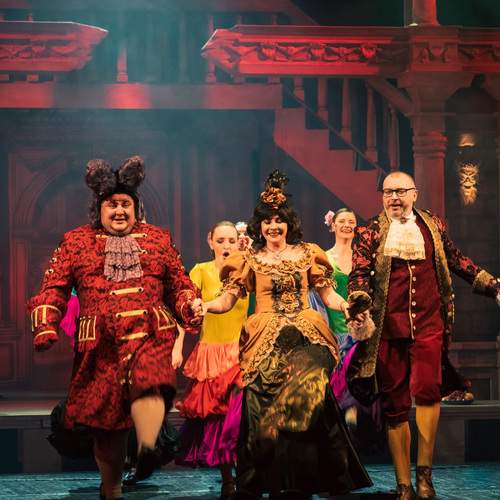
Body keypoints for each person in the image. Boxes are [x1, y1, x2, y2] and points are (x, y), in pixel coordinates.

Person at [29, 156, 201, 500]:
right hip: (102, 347)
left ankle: (148, 446)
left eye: (126, 204)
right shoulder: (76, 241)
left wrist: (189, 306)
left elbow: (179, 284)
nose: (119, 211)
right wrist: (45, 324)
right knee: (108, 426)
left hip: (150, 334)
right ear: (99, 209)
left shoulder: (158, 240)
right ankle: (113, 488)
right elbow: (54, 287)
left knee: (151, 382)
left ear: (137, 209)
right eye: (112, 205)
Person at [194, 171, 372, 499]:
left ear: (289, 224)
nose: (273, 226)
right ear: (259, 226)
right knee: (260, 404)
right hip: (264, 335)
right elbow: (228, 299)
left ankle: (304, 481)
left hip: (306, 332)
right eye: (267, 221)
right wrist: (205, 306)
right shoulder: (248, 259)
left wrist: (347, 307)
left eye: (279, 220)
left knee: (308, 393)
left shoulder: (308, 253)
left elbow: (328, 295)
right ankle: (262, 481)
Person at [347, 171, 500, 500]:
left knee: (429, 393)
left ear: (414, 194)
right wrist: (359, 303)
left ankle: (425, 475)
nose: (394, 197)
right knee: (395, 404)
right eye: (388, 192)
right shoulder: (370, 231)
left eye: (401, 191)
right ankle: (404, 484)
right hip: (389, 329)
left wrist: (492, 285)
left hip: (430, 324)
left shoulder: (432, 225)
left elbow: (456, 260)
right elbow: (358, 274)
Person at [175, 221, 249, 499]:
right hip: (211, 354)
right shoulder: (201, 271)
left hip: (241, 351)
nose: (226, 246)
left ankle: (247, 475)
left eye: (231, 240)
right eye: (221, 240)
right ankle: (228, 480)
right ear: (210, 241)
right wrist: (178, 345)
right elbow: (184, 311)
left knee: (241, 417)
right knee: (218, 418)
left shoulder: (246, 270)